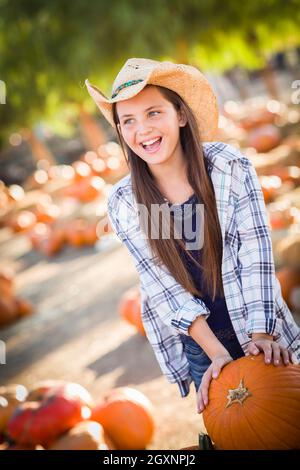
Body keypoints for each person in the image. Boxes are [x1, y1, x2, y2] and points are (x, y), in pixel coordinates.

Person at [85, 58, 300, 415]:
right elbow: (163, 284)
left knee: (288, 415)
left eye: (154, 113)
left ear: (181, 115)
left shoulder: (227, 167)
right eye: (129, 121)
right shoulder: (127, 201)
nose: (143, 130)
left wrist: (262, 335)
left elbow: (255, 252)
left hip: (259, 320)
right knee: (237, 429)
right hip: (201, 344)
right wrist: (216, 353)